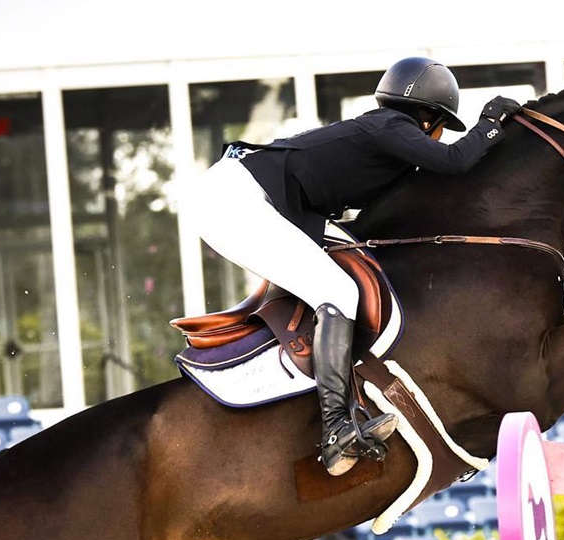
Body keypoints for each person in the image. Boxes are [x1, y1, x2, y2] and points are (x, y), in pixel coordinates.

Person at [185, 56, 521, 477]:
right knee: (339, 293)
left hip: (239, 197)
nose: (435, 138)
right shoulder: (391, 126)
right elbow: (454, 161)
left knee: (341, 284)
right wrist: (492, 122)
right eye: (438, 128)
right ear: (429, 117)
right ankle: (335, 430)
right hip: (235, 199)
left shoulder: (384, 146)